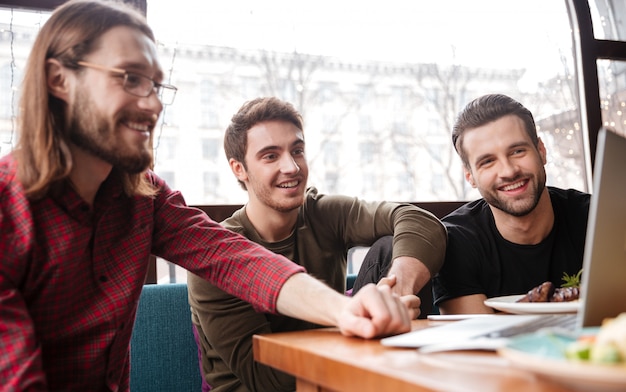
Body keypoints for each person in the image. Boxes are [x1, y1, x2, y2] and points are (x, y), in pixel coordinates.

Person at [0, 2, 420, 391]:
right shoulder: (7, 211)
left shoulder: (142, 194)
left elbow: (233, 257)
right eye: (130, 78)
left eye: (156, 85)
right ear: (59, 80)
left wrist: (344, 310)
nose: (153, 105)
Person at [187, 96, 447, 391]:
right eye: (270, 156)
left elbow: (419, 221)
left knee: (391, 248)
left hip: (343, 365)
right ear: (239, 169)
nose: (292, 167)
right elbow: (266, 378)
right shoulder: (217, 254)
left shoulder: (322, 212)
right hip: (274, 384)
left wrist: (398, 296)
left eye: (297, 151)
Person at [432, 94, 590, 314]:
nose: (508, 171)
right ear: (470, 176)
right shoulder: (454, 242)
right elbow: (477, 338)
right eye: (488, 161)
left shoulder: (595, 217)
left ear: (541, 151)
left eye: (517, 151)